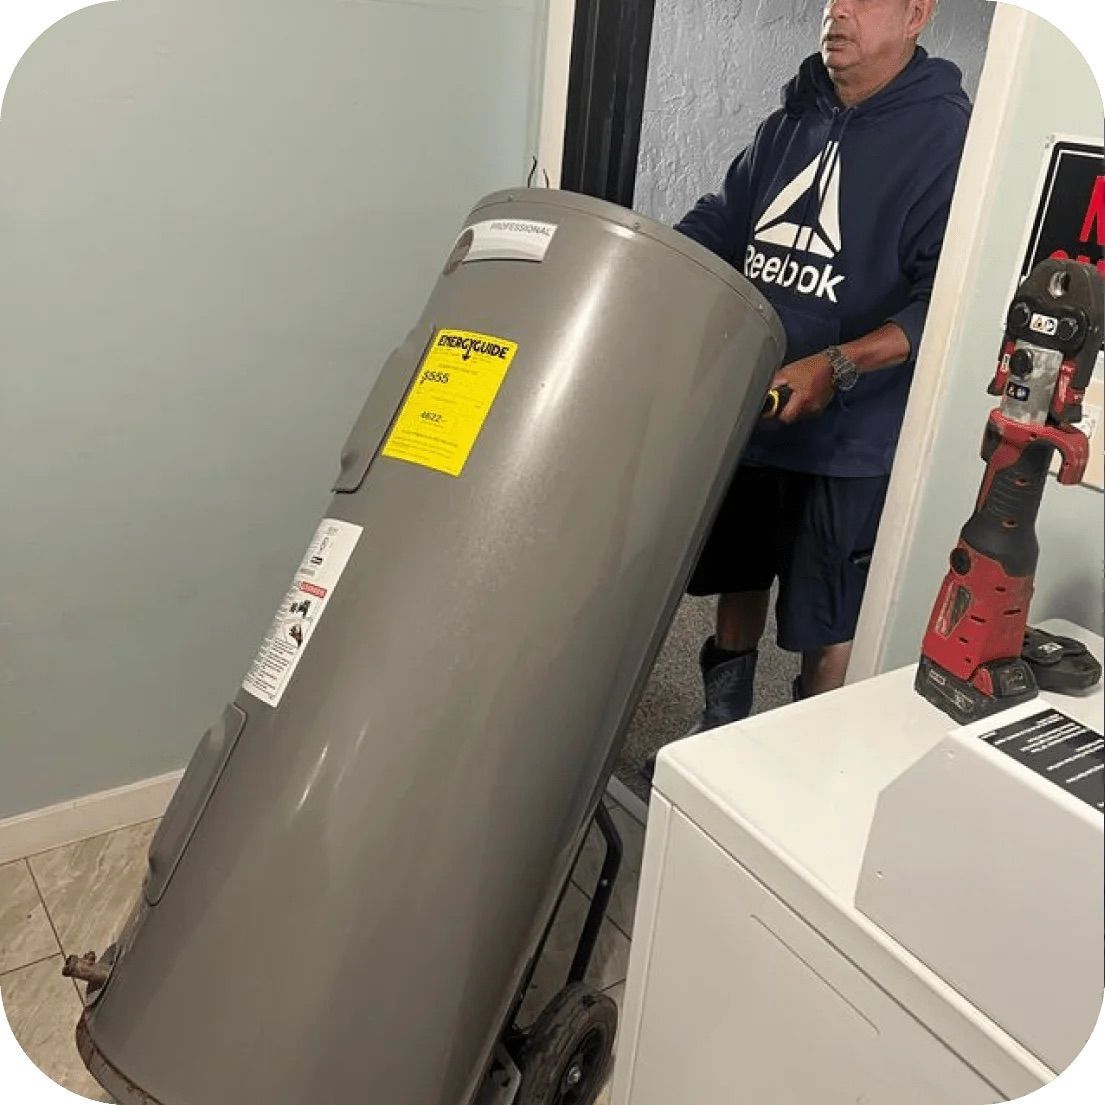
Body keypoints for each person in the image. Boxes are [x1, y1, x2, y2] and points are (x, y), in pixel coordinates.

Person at [669, 0, 971, 740]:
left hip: (849, 440)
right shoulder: (790, 119)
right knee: (739, 577)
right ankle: (721, 739)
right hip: (758, 409)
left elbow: (949, 301)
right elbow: (721, 220)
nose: (837, 10)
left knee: (825, 618)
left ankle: (804, 756)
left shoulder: (946, 139)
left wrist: (837, 364)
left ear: (915, 16)